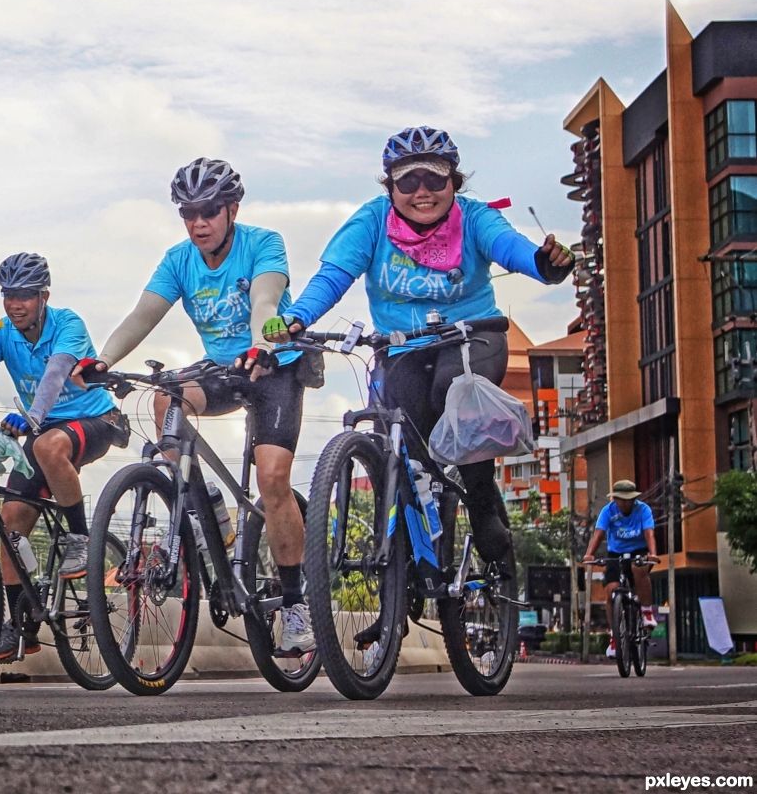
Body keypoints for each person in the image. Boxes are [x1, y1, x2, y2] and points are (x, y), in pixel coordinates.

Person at [264, 125, 574, 569]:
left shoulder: (475, 218)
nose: (422, 192)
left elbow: (515, 250)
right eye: (408, 182)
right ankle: (404, 572)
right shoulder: (371, 221)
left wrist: (546, 263)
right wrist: (298, 318)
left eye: (435, 179)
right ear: (390, 187)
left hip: (474, 336)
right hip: (401, 347)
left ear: (455, 183)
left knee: (452, 390)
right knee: (402, 441)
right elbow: (333, 277)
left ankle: (484, 506)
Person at [71, 157, 314, 656]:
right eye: (189, 213)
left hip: (273, 365)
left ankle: (294, 605)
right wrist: (105, 359)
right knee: (167, 397)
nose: (198, 223)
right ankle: (203, 512)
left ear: (232, 209)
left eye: (208, 212)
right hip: (222, 368)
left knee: (271, 479)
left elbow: (266, 302)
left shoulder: (263, 243)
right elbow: (143, 314)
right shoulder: (178, 259)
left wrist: (260, 343)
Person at [0, 252, 122, 662]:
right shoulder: (0, 332)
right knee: (11, 526)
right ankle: (20, 626)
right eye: (8, 295)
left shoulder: (68, 324)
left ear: (44, 296)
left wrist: (32, 416)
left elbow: (56, 373)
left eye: (25, 296)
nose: (15, 304)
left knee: (48, 446)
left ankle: (80, 538)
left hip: (95, 419)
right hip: (42, 426)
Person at [582, 479, 659, 658]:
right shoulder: (608, 511)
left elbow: (649, 533)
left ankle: (647, 611)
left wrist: (652, 554)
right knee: (611, 590)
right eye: (621, 500)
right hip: (615, 553)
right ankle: (615, 636)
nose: (625, 503)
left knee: (639, 570)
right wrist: (589, 554)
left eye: (629, 499)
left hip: (638, 551)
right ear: (615, 499)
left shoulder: (643, 510)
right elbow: (598, 534)